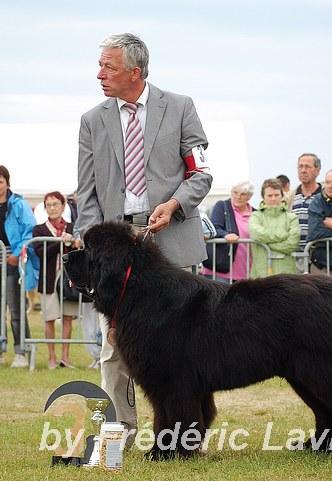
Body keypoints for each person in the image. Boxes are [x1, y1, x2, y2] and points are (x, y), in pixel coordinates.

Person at [76, 33, 212, 441]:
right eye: (101, 65)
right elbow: (86, 193)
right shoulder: (92, 120)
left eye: (109, 67)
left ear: (135, 72)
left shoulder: (181, 107)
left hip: (173, 237)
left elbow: (201, 172)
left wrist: (174, 205)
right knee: (115, 347)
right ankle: (118, 433)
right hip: (117, 250)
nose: (99, 74)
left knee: (185, 345)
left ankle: (185, 431)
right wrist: (95, 244)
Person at [33, 191, 80, 369]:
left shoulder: (72, 227)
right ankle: (51, 358)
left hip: (68, 279)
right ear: (45, 208)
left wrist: (72, 242)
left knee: (68, 317)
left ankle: (65, 357)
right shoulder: (39, 229)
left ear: (63, 206)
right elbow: (39, 252)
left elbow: (76, 252)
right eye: (49, 205)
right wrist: (60, 241)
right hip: (48, 279)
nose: (52, 208)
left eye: (56, 204)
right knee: (49, 318)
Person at [0, 165, 38, 368]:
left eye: (0, 181)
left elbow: (29, 230)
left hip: (13, 261)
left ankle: (21, 351)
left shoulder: (18, 205)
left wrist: (17, 254)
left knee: (15, 309)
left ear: (7, 182)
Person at [201, 181, 254, 282]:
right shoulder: (222, 206)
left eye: (243, 194)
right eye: (235, 192)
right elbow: (214, 228)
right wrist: (226, 235)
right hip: (220, 269)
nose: (238, 196)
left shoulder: (255, 213)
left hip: (245, 271)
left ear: (249, 197)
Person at [249, 178, 300, 277]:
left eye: (276, 195)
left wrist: (266, 244)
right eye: (269, 195)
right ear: (263, 197)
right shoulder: (255, 216)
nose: (273, 198)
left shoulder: (292, 218)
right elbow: (256, 234)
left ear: (282, 195)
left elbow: (292, 244)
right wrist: (283, 235)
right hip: (261, 273)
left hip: (287, 273)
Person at [289, 153, 322, 272]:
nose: (303, 170)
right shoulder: (291, 196)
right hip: (296, 256)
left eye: (307, 167)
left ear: (317, 170)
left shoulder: (324, 195)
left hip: (318, 256)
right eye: (300, 167)